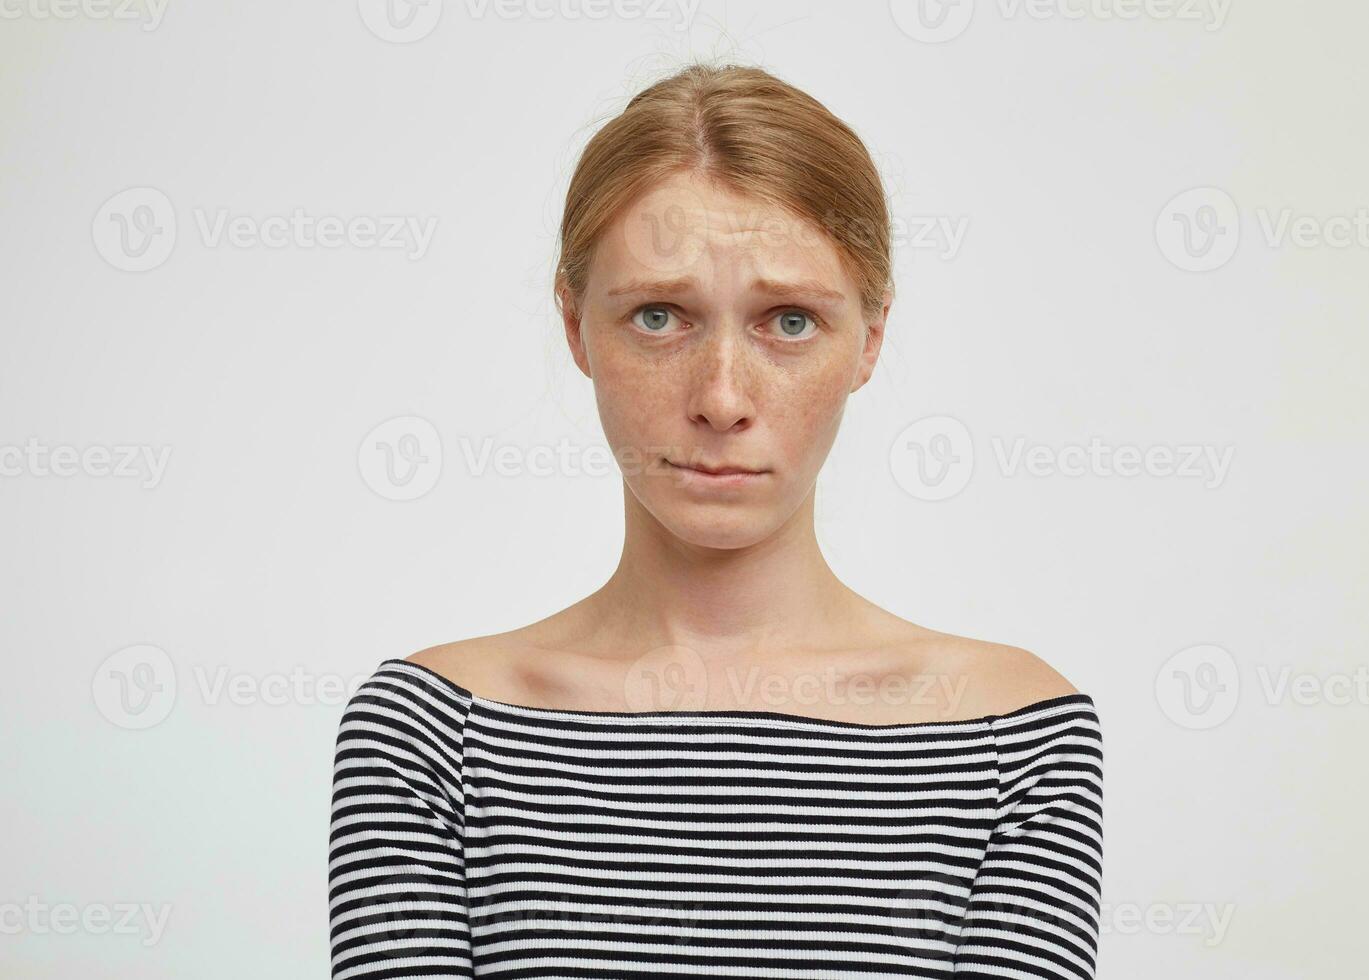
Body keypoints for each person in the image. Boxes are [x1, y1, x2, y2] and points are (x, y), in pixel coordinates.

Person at [328, 60, 1103, 978]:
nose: (724, 398)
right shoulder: (435, 732)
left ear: (873, 338)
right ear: (575, 327)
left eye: (789, 321)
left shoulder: (1014, 735)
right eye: (659, 316)